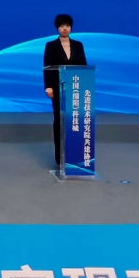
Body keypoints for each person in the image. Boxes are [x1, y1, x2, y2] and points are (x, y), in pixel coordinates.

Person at [43, 14, 87, 166]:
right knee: (59, 120)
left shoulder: (78, 45)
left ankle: (75, 155)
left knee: (75, 120)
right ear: (57, 28)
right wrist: (48, 86)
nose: (65, 28)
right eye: (62, 26)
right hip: (58, 88)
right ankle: (60, 158)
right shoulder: (51, 46)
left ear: (71, 27)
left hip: (76, 89)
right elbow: (47, 67)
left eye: (67, 26)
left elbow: (84, 67)